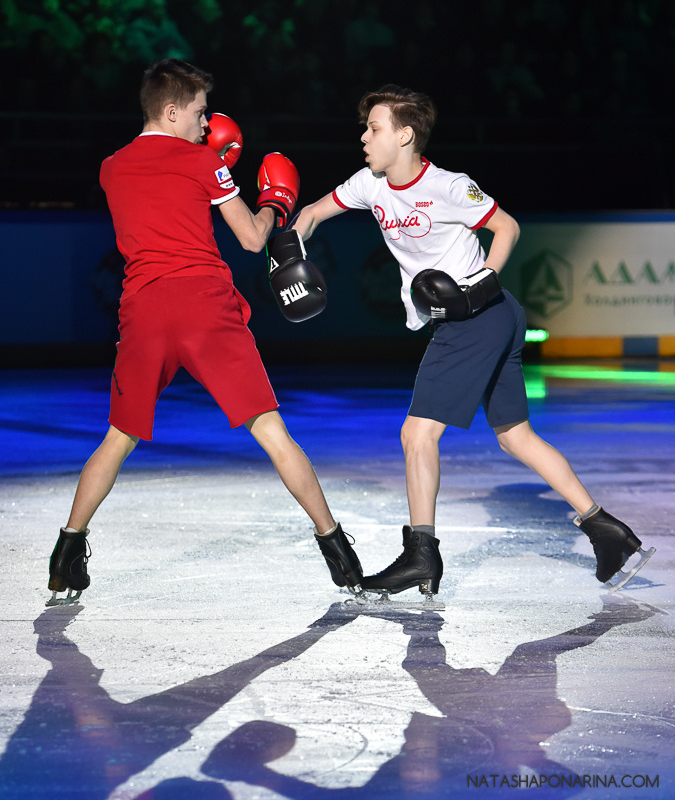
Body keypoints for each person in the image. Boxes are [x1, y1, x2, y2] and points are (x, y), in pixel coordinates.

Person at [291, 84, 655, 601]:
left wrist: (477, 283)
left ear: (406, 135)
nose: (364, 138)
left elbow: (507, 227)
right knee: (515, 436)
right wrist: (289, 249)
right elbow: (312, 213)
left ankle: (421, 555)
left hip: (478, 317)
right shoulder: (370, 184)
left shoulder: (449, 186)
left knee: (417, 436)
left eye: (374, 129)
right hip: (494, 318)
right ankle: (607, 531)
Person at [47, 58, 362, 606]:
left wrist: (210, 161)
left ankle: (67, 552)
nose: (205, 122)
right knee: (270, 430)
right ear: (171, 111)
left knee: (116, 438)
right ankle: (336, 547)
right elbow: (250, 239)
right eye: (197, 112)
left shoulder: (110, 167)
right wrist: (274, 202)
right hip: (203, 306)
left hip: (142, 309)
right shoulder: (202, 162)